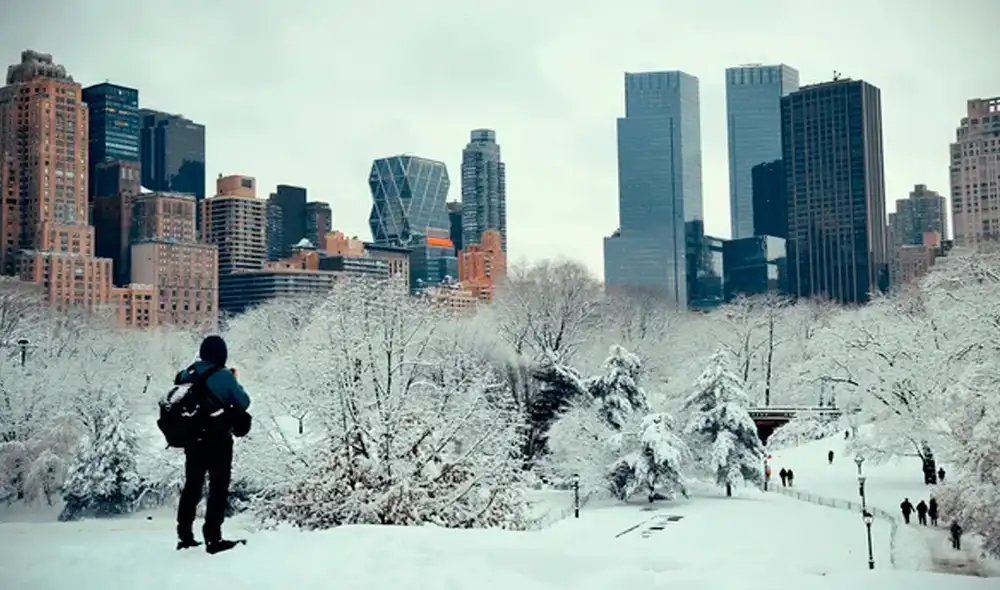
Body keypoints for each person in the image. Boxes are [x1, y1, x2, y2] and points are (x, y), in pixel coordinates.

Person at [175, 335, 251, 554]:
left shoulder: (185, 374)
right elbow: (244, 402)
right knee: (218, 487)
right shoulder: (223, 376)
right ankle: (213, 538)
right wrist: (235, 380)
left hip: (192, 440)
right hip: (218, 439)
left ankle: (185, 536)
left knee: (192, 486)